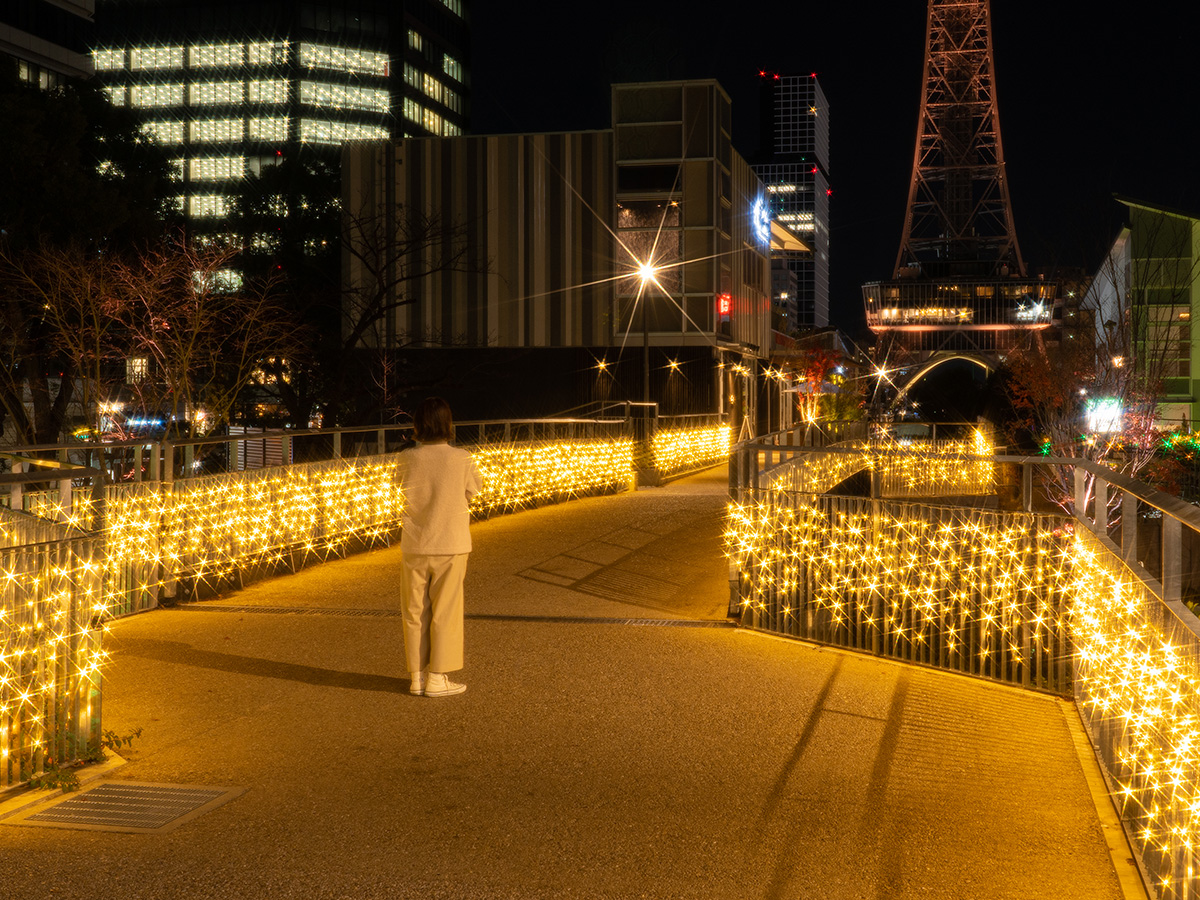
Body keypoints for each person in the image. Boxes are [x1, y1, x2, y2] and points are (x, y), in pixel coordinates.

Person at [394, 397, 482, 697]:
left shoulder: (406, 458)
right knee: (446, 610)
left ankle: (416, 676)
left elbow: (399, 492)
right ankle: (437, 677)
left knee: (414, 610)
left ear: (417, 424)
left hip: (415, 544)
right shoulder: (462, 458)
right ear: (448, 423)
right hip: (451, 543)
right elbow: (474, 491)